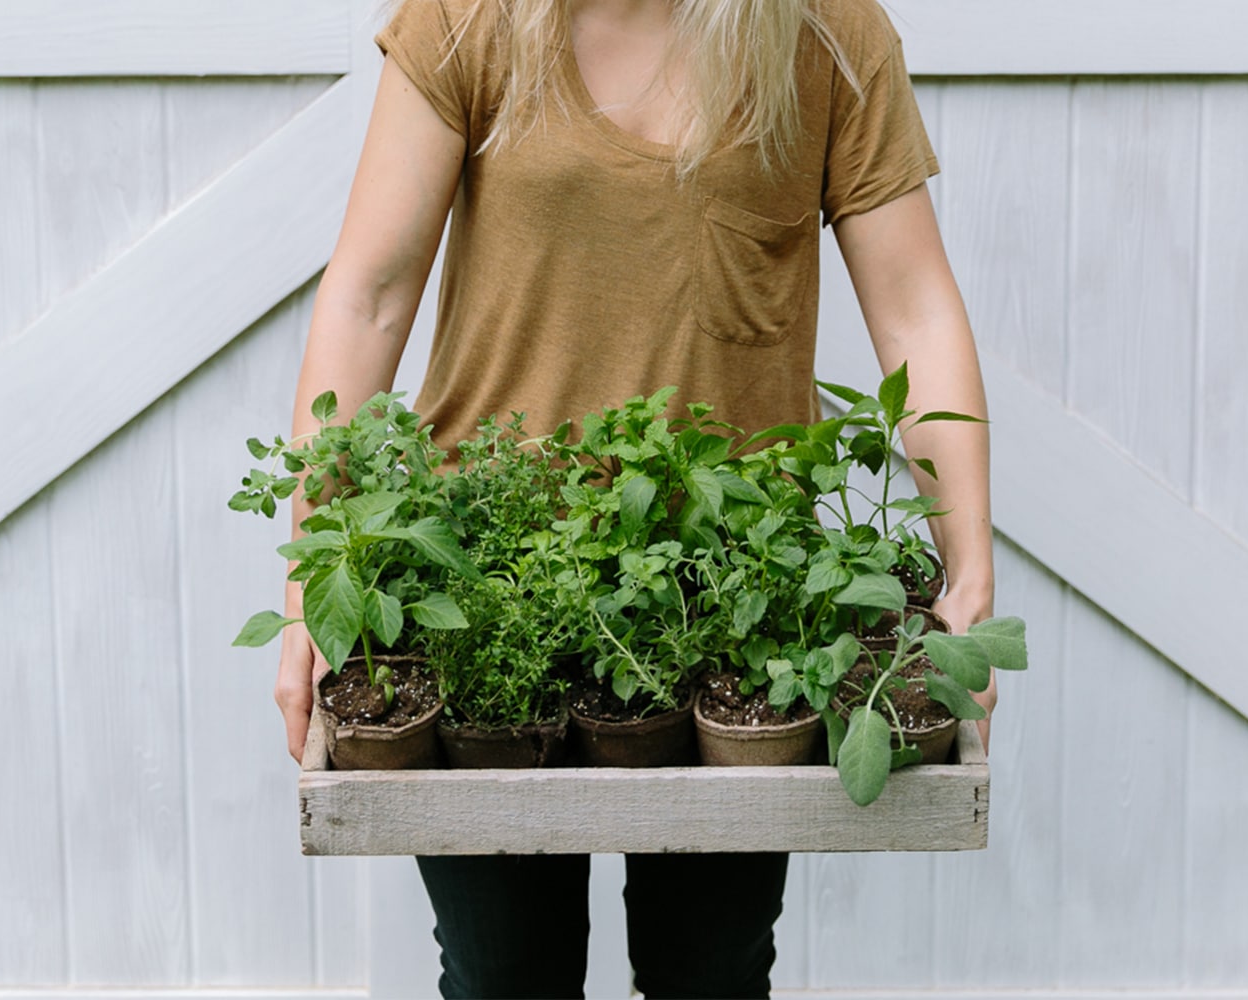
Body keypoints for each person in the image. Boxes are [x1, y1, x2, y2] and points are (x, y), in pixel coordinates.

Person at [273, 0, 998, 996]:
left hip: (733, 597)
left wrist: (968, 567)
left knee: (711, 972)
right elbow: (370, 291)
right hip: (487, 593)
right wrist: (311, 574)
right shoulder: (473, 19)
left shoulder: (824, 32)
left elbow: (913, 306)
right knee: (501, 978)